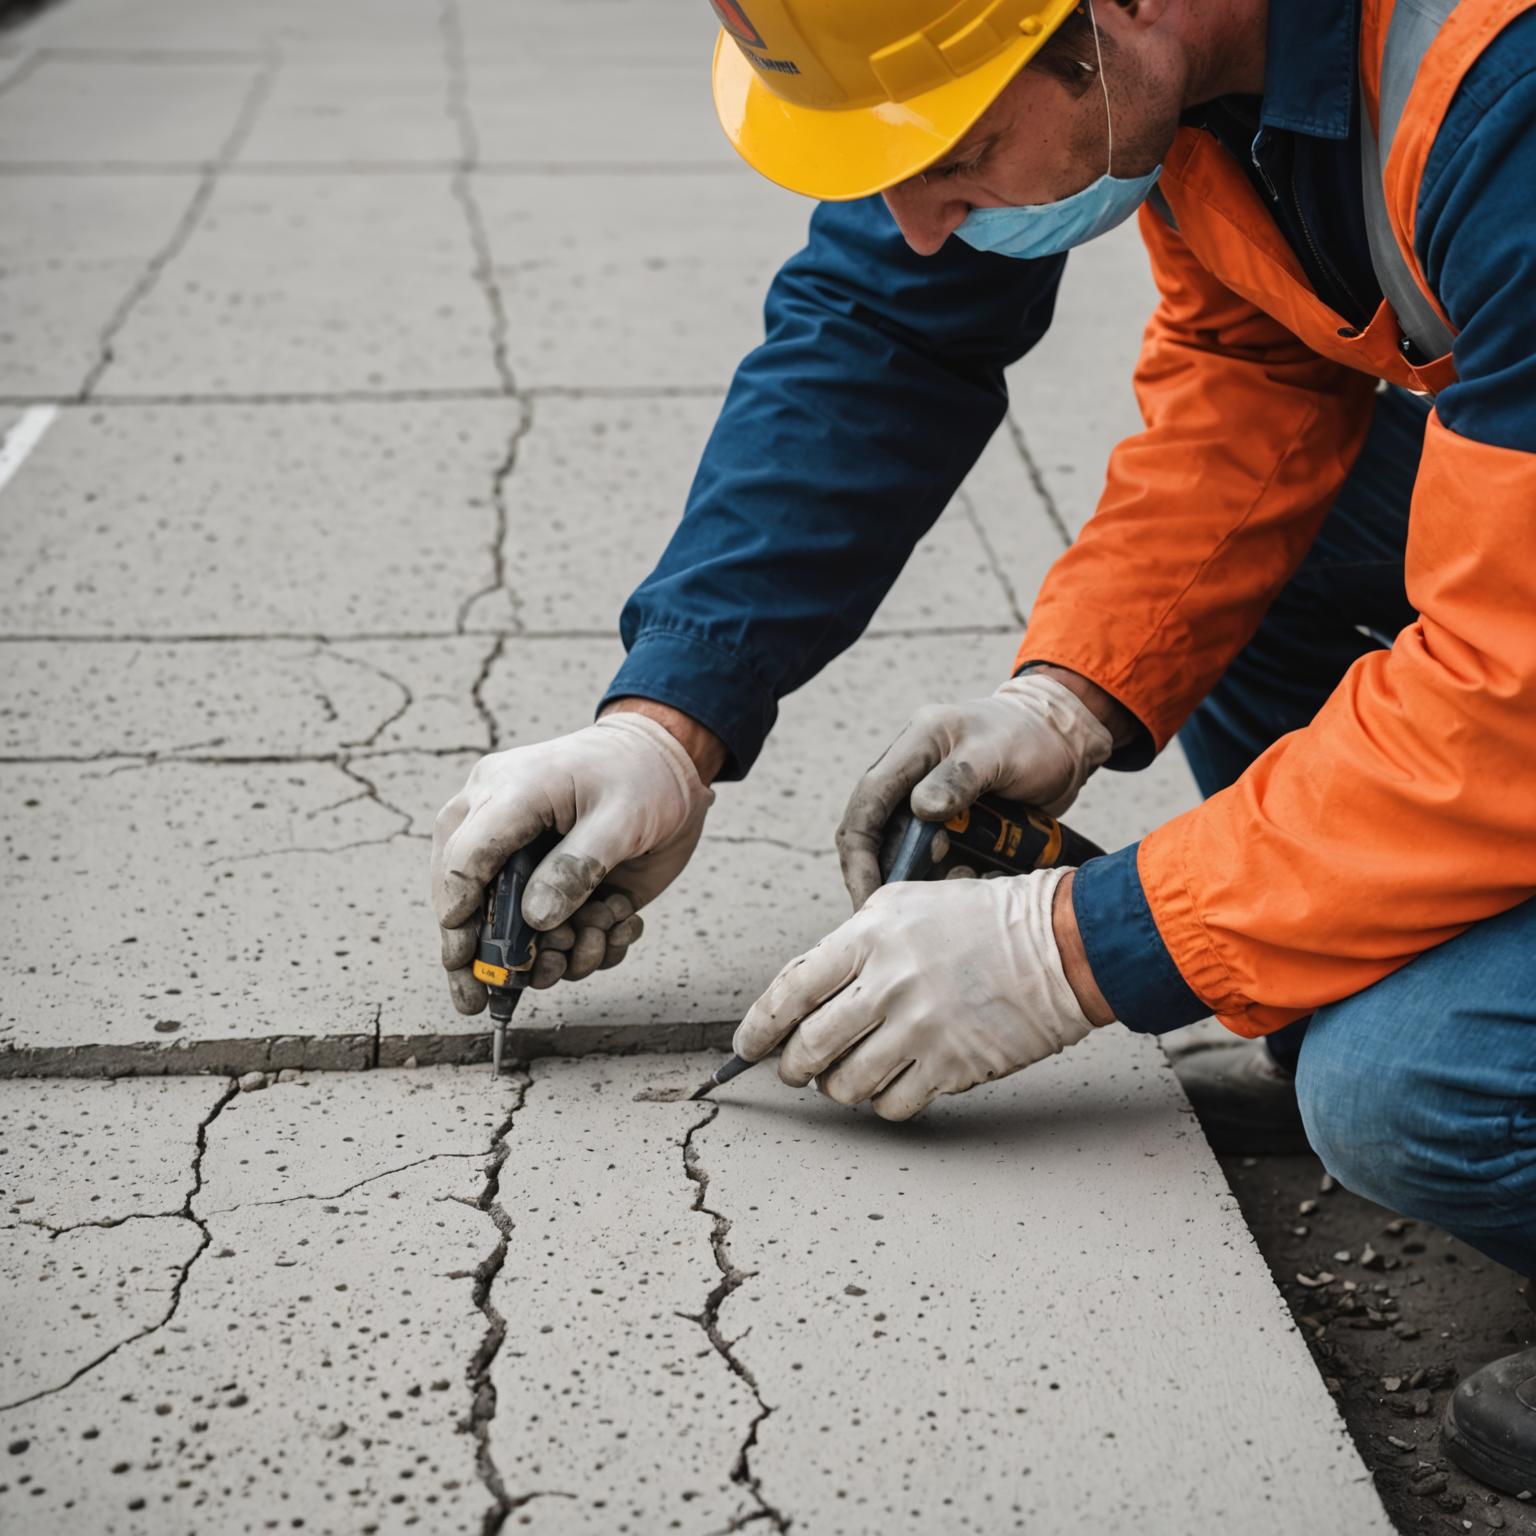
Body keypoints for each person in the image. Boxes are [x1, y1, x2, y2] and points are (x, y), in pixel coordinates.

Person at [434, 0, 1536, 1491]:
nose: (922, 223)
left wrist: (1078, 947)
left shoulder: (1499, 89)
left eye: (951, 153)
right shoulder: (1211, 80)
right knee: (1314, 552)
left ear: (1120, 17)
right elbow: (1244, 376)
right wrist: (677, 721)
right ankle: (1354, 954)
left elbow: (1509, 694)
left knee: (1414, 1086)